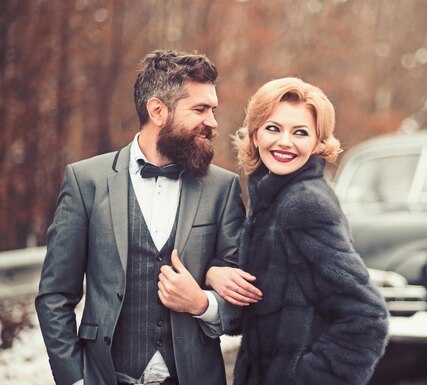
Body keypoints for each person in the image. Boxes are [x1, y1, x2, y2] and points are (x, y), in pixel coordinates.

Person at [35, 50, 259, 385]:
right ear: (157, 110)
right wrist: (75, 380)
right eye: (200, 109)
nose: (212, 122)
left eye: (213, 109)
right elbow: (55, 296)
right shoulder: (86, 181)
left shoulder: (222, 187)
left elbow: (240, 303)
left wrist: (201, 303)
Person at [206, 77, 389, 385]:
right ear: (255, 134)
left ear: (318, 143)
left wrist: (308, 378)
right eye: (273, 128)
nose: (285, 142)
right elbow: (262, 300)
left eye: (300, 132)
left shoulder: (304, 204)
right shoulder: (272, 196)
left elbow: (367, 317)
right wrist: (214, 273)